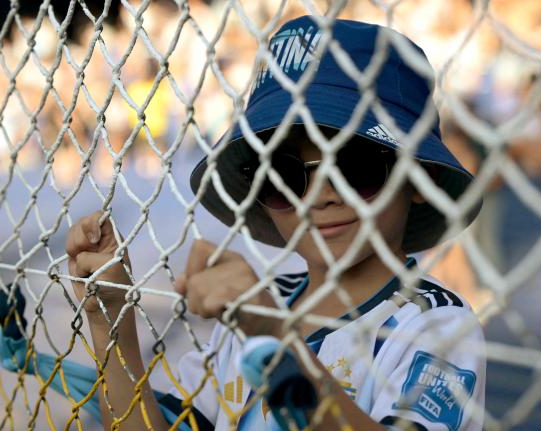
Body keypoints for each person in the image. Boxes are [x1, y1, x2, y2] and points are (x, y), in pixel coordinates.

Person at [66, 15, 486, 430]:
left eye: (354, 165)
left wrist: (276, 342)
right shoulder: (257, 308)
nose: (320, 196)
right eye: (283, 175)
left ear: (419, 176)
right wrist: (111, 317)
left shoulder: (435, 324)